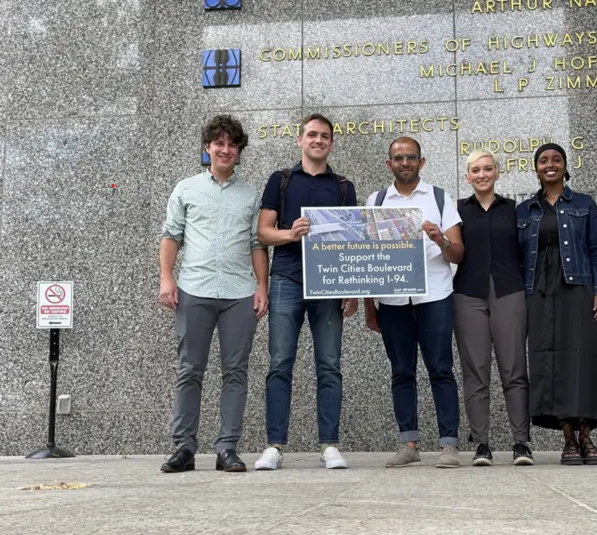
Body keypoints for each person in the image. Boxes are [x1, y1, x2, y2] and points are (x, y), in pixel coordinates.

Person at [159, 115, 269, 473]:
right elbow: (171, 235)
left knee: (235, 372)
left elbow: (256, 245)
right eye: (218, 143)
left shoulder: (251, 195)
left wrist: (262, 288)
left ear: (239, 151)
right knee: (190, 369)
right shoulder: (186, 189)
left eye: (232, 145)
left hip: (240, 294)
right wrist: (166, 279)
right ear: (207, 148)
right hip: (194, 289)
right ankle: (183, 448)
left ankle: (227, 448)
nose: (225, 150)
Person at [255, 113, 358, 470]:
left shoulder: (344, 186)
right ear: (300, 140)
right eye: (311, 135)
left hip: (329, 284)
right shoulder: (280, 180)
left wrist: (353, 288)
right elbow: (263, 233)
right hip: (286, 280)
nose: (318, 140)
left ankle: (329, 444)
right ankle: (274, 445)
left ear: (331, 143)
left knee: (329, 366)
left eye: (324, 136)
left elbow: (352, 240)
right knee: (279, 364)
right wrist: (290, 234)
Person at [364, 136, 464, 468]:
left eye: (411, 158)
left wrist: (441, 239)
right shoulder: (375, 201)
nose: (405, 163)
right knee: (402, 371)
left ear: (422, 162)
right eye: (398, 158)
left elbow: (459, 253)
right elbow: (366, 259)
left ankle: (448, 444)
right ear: (388, 163)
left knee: (440, 368)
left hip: (434, 295)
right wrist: (369, 306)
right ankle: (409, 443)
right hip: (392, 301)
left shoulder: (439, 197)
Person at [517, 143, 597, 466]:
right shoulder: (525, 210)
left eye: (556, 160)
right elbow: (515, 257)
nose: (550, 165)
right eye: (543, 160)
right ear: (536, 168)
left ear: (564, 166)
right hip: (539, 293)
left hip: (578, 289)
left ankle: (587, 436)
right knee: (549, 362)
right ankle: (567, 439)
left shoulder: (584, 204)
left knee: (583, 360)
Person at [453, 150, 533, 467]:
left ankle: (521, 442)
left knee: (514, 369)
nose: (482, 174)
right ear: (467, 176)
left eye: (488, 168)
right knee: (476, 371)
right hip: (467, 295)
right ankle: (481, 444)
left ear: (497, 173)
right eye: (476, 170)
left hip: (510, 291)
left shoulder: (516, 210)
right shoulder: (457, 211)